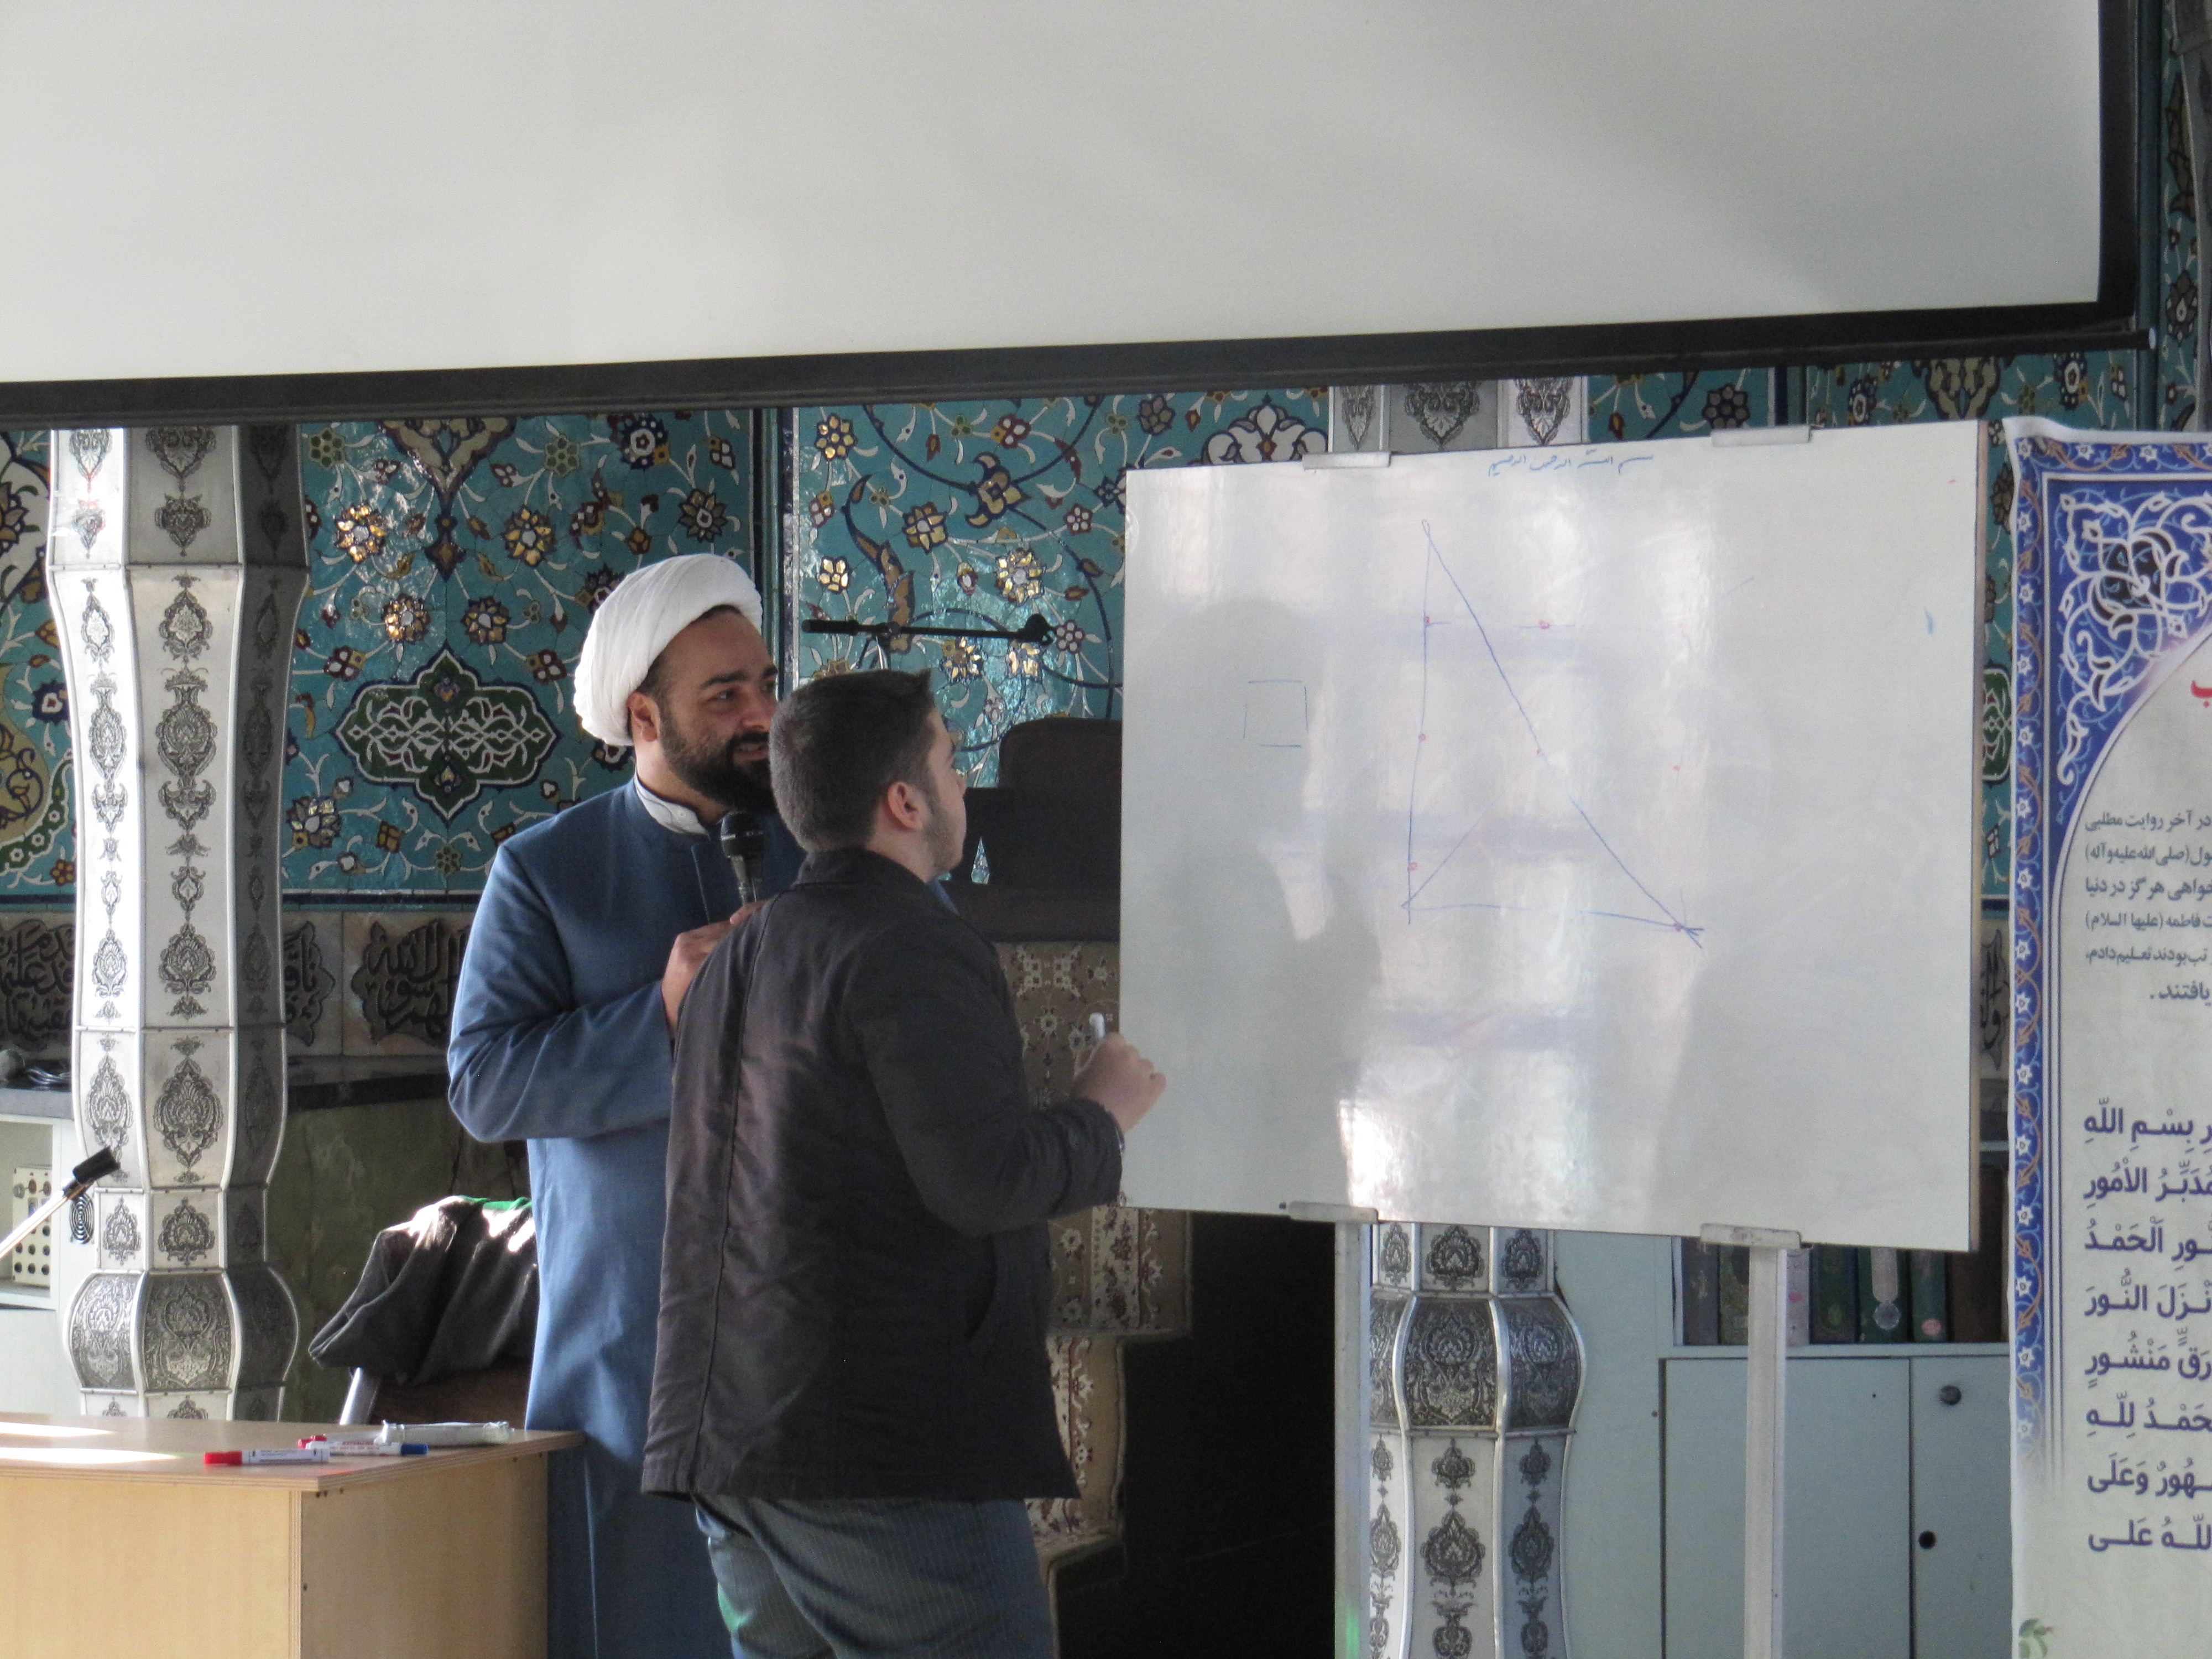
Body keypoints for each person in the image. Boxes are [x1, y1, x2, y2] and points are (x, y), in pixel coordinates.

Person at [645, 670, 1166, 1659]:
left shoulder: (735, 960)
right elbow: (983, 1180)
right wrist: (1103, 1114)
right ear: (904, 801)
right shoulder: (913, 943)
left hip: (731, 1440)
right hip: (877, 1455)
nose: (964, 786)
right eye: (950, 762)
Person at [449, 554, 803, 1659]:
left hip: (813, 1338)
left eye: (764, 684)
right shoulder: (547, 872)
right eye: (725, 695)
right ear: (643, 717)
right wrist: (660, 1015)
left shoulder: (831, 851)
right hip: (629, 1351)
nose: (761, 716)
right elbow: (485, 1083)